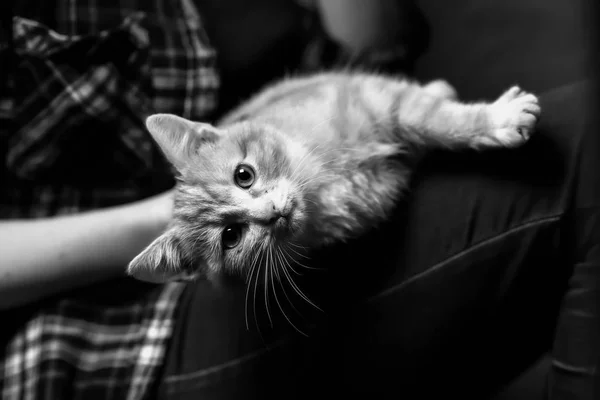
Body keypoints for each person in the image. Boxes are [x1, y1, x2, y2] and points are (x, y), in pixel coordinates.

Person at [1, 1, 598, 400]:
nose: (263, 211)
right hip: (113, 344)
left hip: (304, 116)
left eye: (241, 181)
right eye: (234, 233)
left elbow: (376, 44)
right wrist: (165, 219)